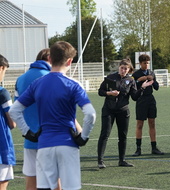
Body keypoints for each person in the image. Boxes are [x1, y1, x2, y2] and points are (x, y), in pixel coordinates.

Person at [9, 41, 96, 190]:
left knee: (44, 187)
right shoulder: (74, 84)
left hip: (44, 145)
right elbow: (90, 114)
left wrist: (28, 133)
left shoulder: (37, 83)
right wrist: (83, 137)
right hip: (68, 144)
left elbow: (14, 111)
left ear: (50, 59)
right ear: (70, 61)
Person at [97, 58, 154, 169]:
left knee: (123, 136)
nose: (123, 70)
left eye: (126, 68)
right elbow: (100, 91)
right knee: (105, 134)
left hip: (123, 111)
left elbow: (134, 97)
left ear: (129, 69)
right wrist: (110, 93)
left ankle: (122, 160)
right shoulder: (110, 77)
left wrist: (142, 88)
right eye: (122, 68)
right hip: (109, 110)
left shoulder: (131, 80)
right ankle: (100, 161)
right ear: (119, 67)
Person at [132, 54, 164, 156]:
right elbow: (133, 87)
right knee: (140, 124)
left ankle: (154, 147)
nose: (146, 65)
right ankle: (138, 149)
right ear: (140, 63)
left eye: (148, 63)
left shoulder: (151, 73)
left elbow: (157, 87)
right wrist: (139, 80)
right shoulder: (136, 74)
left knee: (152, 123)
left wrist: (152, 80)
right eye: (144, 63)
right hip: (141, 100)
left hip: (150, 99)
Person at [0, 54, 16, 190]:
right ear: (1, 68)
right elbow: (12, 122)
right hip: (1, 146)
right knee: (2, 183)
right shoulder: (3, 93)